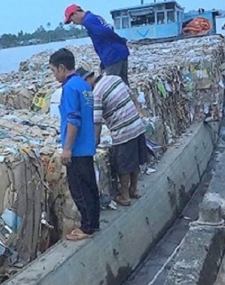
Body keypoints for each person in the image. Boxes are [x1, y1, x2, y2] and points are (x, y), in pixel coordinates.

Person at [77, 65, 147, 207]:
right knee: (134, 161)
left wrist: (94, 142)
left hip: (123, 131)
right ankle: (134, 189)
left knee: (124, 165)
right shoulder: (115, 78)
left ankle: (125, 196)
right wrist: (138, 111)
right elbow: (131, 95)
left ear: (87, 80)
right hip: (136, 124)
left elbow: (97, 122)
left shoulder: (96, 93)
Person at [49, 48, 100, 240]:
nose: (54, 75)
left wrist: (67, 148)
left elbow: (73, 119)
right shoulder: (84, 85)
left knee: (79, 190)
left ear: (62, 68)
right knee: (90, 187)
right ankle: (93, 223)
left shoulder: (69, 88)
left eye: (53, 71)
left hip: (77, 149)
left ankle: (86, 228)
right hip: (87, 145)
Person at [64, 4, 130, 85]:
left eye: (72, 20)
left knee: (113, 86)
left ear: (75, 14)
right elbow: (106, 34)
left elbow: (105, 33)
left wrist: (121, 41)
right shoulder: (93, 17)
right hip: (119, 52)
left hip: (112, 56)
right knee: (124, 84)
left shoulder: (87, 21)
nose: (74, 23)